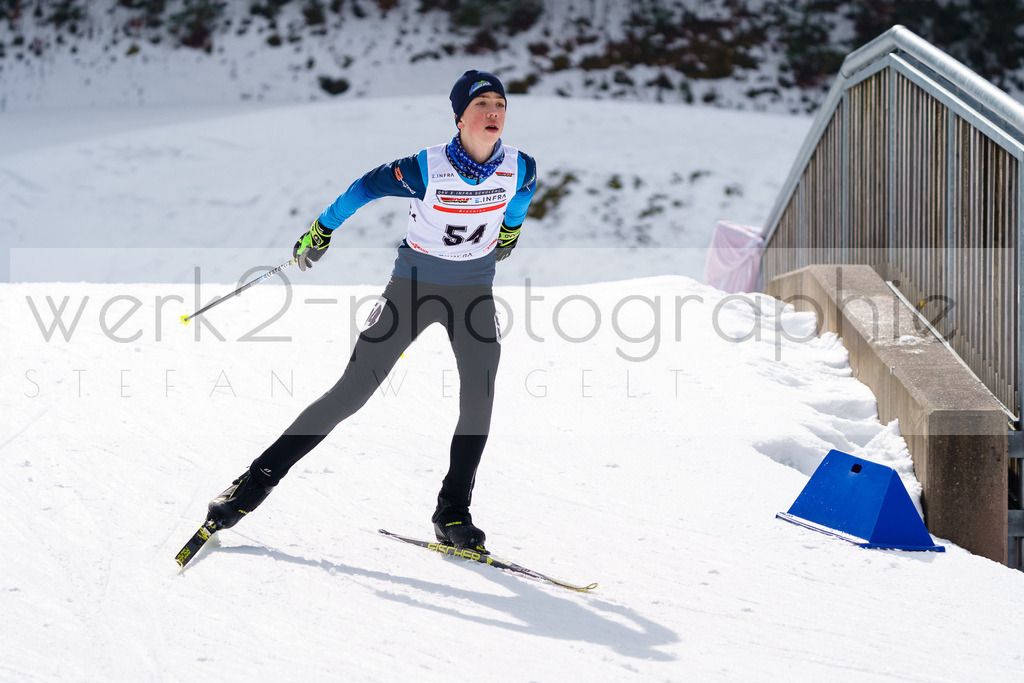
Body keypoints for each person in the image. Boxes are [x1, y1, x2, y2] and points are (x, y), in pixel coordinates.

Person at [205, 70, 537, 552]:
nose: (494, 112)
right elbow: (364, 187)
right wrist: (322, 229)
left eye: (500, 104)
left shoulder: (520, 167)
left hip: (474, 292)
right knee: (351, 393)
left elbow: (521, 197)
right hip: (413, 289)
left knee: (479, 398)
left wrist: (509, 232)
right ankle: (251, 485)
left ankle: (452, 512)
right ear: (459, 116)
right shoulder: (425, 168)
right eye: (481, 104)